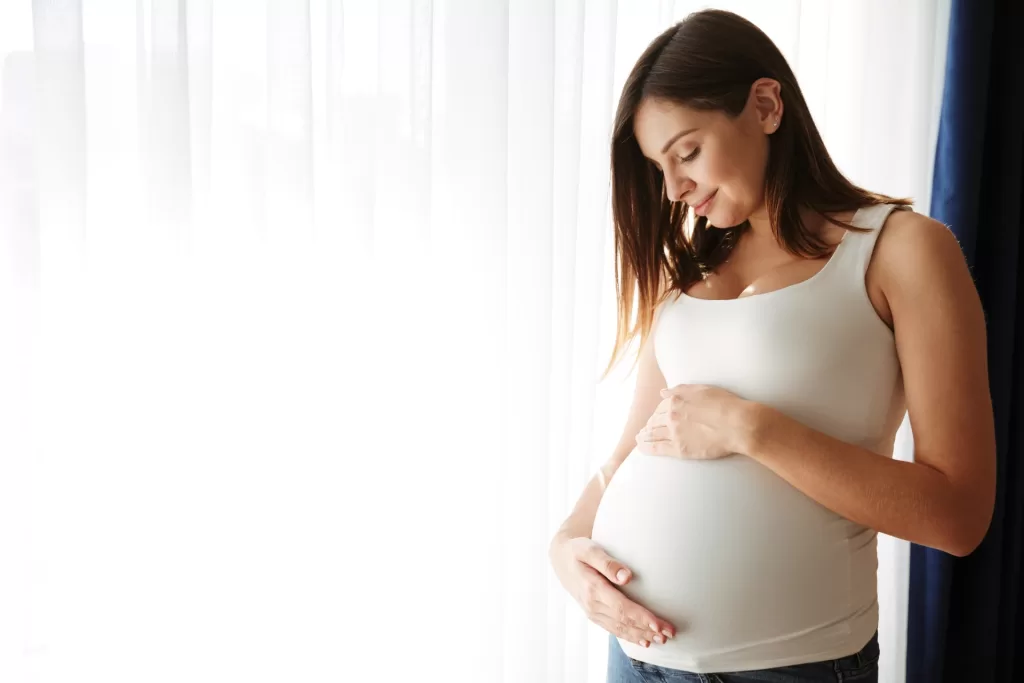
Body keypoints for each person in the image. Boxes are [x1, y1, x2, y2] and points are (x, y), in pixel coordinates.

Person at [547, 9, 996, 683]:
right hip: (636, 659)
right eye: (658, 168)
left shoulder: (900, 251)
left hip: (791, 667)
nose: (674, 190)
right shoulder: (688, 273)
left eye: (687, 152)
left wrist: (750, 426)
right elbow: (631, 448)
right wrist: (565, 549)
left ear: (764, 105)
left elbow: (959, 514)